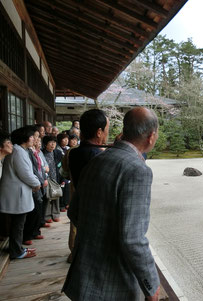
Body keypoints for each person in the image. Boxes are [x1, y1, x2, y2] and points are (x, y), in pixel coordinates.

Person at [63, 107, 160, 300]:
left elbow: (73, 212)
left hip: (83, 275)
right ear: (151, 137)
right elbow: (133, 239)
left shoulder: (97, 160)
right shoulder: (137, 170)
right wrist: (151, 285)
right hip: (112, 283)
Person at [65, 109, 109, 263]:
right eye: (106, 130)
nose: (107, 134)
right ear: (99, 132)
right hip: (96, 213)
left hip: (80, 205)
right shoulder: (99, 156)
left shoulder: (74, 152)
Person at [0, 126, 40, 259]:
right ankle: (17, 251)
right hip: (17, 194)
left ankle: (17, 247)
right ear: (25, 138)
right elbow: (26, 174)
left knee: (18, 224)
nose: (33, 139)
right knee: (18, 224)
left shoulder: (20, 150)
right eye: (32, 136)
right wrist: (37, 183)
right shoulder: (18, 151)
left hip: (18, 193)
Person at [42, 136, 64, 223]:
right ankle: (47, 216)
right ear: (45, 144)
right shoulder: (42, 153)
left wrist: (62, 178)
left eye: (54, 142)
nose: (53, 144)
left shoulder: (58, 153)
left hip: (56, 177)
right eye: (50, 142)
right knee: (47, 197)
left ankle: (56, 214)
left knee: (56, 195)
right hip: (47, 178)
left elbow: (62, 165)